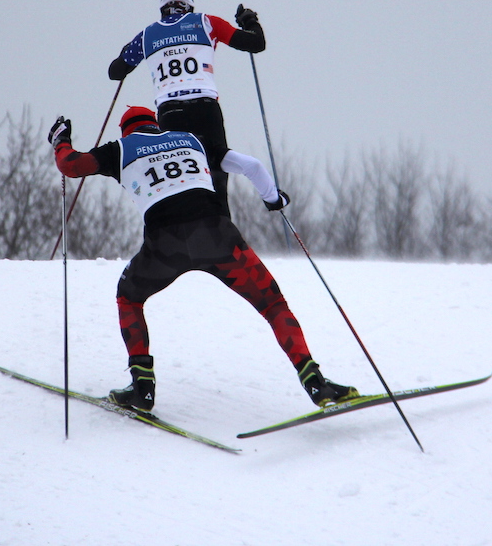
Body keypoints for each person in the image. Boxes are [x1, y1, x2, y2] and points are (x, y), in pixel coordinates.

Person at [48, 105, 358, 412]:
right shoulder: (191, 139)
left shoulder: (120, 148)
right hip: (218, 239)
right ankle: (315, 381)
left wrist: (60, 140)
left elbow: (71, 165)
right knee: (273, 305)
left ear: (125, 130)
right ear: (156, 124)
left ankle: (142, 387)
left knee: (129, 297)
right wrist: (274, 199)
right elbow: (250, 165)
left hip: (165, 246)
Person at [107, 0, 264, 216]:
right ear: (189, 6)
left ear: (163, 9)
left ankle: (186, 236)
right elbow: (256, 43)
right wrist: (249, 21)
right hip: (206, 108)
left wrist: (125, 54)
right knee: (217, 172)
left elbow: (115, 71)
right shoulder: (206, 22)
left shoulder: (147, 35)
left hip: (171, 113)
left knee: (185, 181)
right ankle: (224, 238)